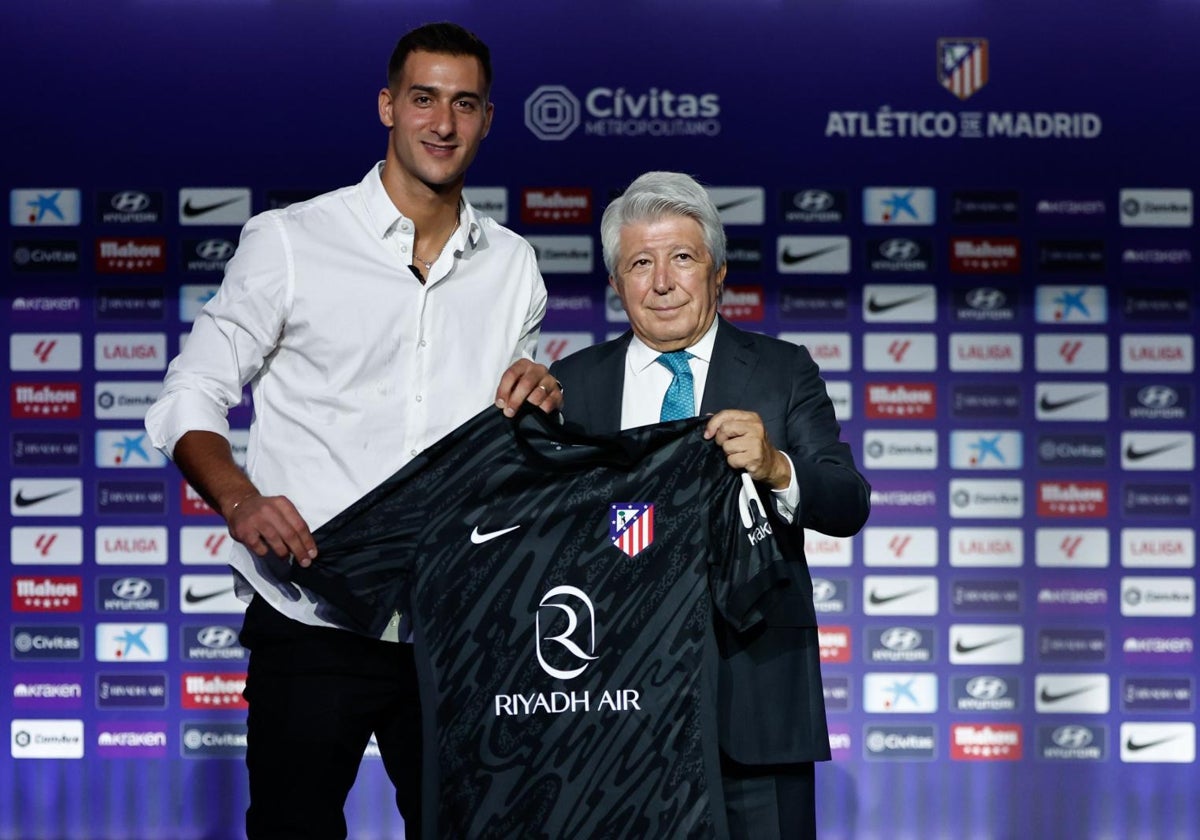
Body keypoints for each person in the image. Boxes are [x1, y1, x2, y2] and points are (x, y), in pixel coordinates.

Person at [145, 22, 561, 840]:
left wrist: (540, 395)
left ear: (487, 119)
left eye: (464, 104)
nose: (442, 123)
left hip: (455, 625)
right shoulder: (293, 242)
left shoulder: (513, 265)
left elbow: (512, 431)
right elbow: (189, 392)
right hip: (310, 616)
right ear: (387, 107)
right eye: (423, 99)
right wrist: (240, 501)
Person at [549, 171, 870, 840]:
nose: (662, 281)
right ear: (616, 283)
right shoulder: (572, 387)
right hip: (608, 712)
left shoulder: (782, 371)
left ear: (718, 274)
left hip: (754, 710)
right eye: (641, 262)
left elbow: (846, 501)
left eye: (682, 258)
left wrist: (778, 466)